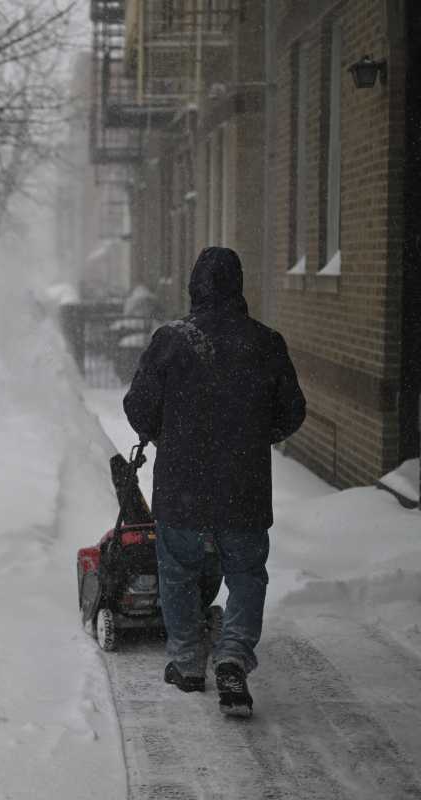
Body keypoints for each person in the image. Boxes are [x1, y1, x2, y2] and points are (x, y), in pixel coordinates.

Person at [123, 247, 306, 717]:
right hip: (242, 489)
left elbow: (139, 408)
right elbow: (291, 412)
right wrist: (250, 438)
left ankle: (187, 663)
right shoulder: (265, 343)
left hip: (182, 489)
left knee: (179, 571)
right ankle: (231, 656)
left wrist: (168, 433)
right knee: (245, 573)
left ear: (194, 287)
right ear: (238, 287)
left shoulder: (171, 340)